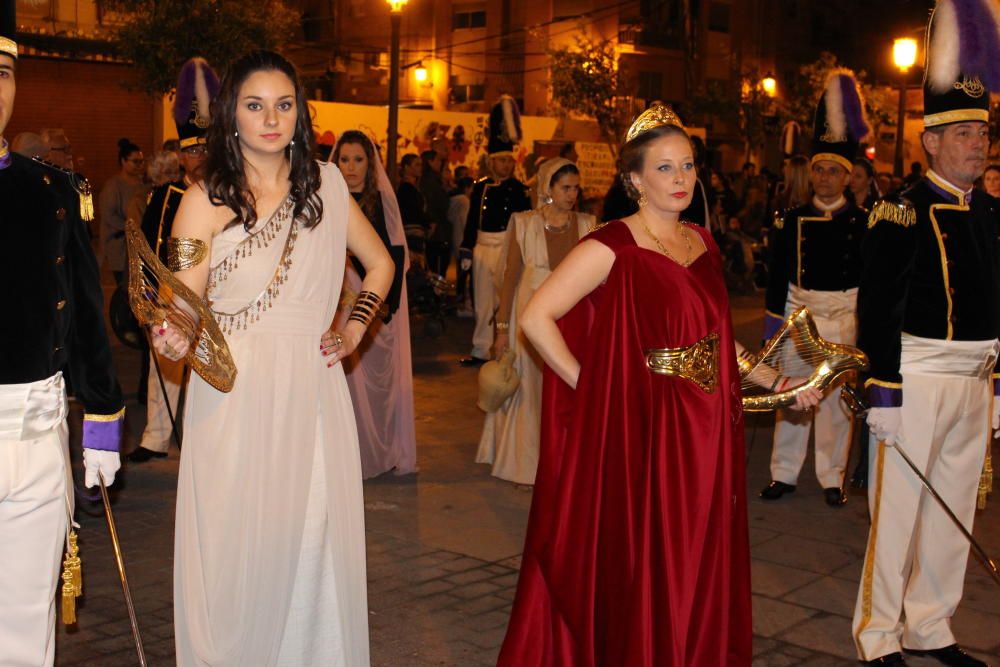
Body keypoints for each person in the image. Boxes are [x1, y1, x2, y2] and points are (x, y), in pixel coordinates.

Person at [497, 105, 819, 666]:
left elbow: (717, 340)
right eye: (665, 168)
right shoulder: (612, 244)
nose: (681, 180)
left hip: (708, 423)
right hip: (644, 423)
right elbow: (535, 318)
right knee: (649, 550)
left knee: (698, 545)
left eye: (688, 166)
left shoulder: (703, 242)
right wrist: (593, 387)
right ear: (634, 179)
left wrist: (779, 381)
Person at [150, 50, 393, 665]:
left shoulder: (328, 184)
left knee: (311, 539)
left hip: (312, 389)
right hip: (233, 391)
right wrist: (173, 331)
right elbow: (181, 297)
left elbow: (382, 265)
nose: (271, 119)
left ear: (300, 113)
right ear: (232, 113)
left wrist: (352, 330)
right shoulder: (205, 195)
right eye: (255, 105)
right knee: (236, 541)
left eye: (284, 105)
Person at [852, 5, 1000, 664]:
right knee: (899, 516)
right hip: (913, 379)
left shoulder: (995, 213)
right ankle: (879, 633)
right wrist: (882, 389)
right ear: (932, 142)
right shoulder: (900, 209)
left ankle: (931, 626)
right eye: (963, 132)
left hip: (975, 380)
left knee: (952, 515)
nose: (978, 143)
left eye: (984, 132)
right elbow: (877, 306)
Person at [0, 12, 124, 664]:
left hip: (37, 437)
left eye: (3, 70)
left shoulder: (51, 189)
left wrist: (101, 417)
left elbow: (82, 315)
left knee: (26, 626)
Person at [760, 70, 870, 508]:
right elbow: (776, 275)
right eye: (819, 170)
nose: (824, 178)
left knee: (837, 405)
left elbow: (872, 283)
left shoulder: (864, 225)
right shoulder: (789, 221)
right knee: (791, 396)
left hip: (843, 317)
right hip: (799, 319)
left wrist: (866, 333)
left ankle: (831, 476)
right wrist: (773, 330)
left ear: (847, 177)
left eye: (833, 171)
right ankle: (782, 473)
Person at [475, 159, 594, 485]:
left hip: (575, 320)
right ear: (547, 189)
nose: (572, 194)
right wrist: (501, 331)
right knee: (529, 392)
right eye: (565, 187)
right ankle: (528, 463)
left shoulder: (588, 225)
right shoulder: (524, 224)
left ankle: (567, 462)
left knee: (569, 390)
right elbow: (509, 281)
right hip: (529, 324)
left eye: (576, 187)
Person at [130, 57, 220, 464]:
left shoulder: (226, 197)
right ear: (181, 156)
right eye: (191, 150)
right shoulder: (165, 196)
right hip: (169, 294)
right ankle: (156, 436)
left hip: (217, 295)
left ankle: (206, 436)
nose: (198, 157)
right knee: (162, 366)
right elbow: (148, 247)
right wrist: (147, 293)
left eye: (204, 148)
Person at [331, 130, 416, 479]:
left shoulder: (382, 201)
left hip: (373, 302)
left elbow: (396, 256)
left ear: (370, 163)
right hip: (335, 301)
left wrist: (383, 303)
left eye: (358, 159)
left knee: (378, 387)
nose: (350, 168)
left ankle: (381, 452)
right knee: (343, 386)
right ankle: (345, 457)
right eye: (344, 159)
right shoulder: (327, 199)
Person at [459, 95, 531, 366]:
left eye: (509, 161)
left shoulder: (520, 191)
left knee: (506, 301)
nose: (506, 165)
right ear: (492, 162)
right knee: (482, 303)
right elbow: (471, 220)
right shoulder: (481, 187)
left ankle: (505, 349)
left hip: (505, 246)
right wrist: (467, 247)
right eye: (501, 161)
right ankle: (479, 350)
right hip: (482, 247)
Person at [99, 137, 148, 285]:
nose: (140, 166)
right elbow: (109, 216)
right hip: (119, 246)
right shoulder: (113, 186)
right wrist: (132, 228)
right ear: (123, 161)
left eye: (141, 161)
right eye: (135, 162)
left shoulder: (143, 185)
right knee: (125, 287)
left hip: (139, 244)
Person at [420, 148, 451, 277]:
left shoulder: (429, 180)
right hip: (437, 229)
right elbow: (437, 203)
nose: (440, 163)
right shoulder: (431, 181)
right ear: (430, 162)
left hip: (436, 227)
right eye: (438, 160)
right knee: (437, 267)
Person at [396, 152, 427, 257]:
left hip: (417, 232)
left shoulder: (414, 188)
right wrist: (427, 222)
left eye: (421, 165)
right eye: (417, 165)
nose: (420, 168)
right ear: (407, 167)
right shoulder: (406, 188)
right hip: (411, 233)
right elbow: (413, 210)